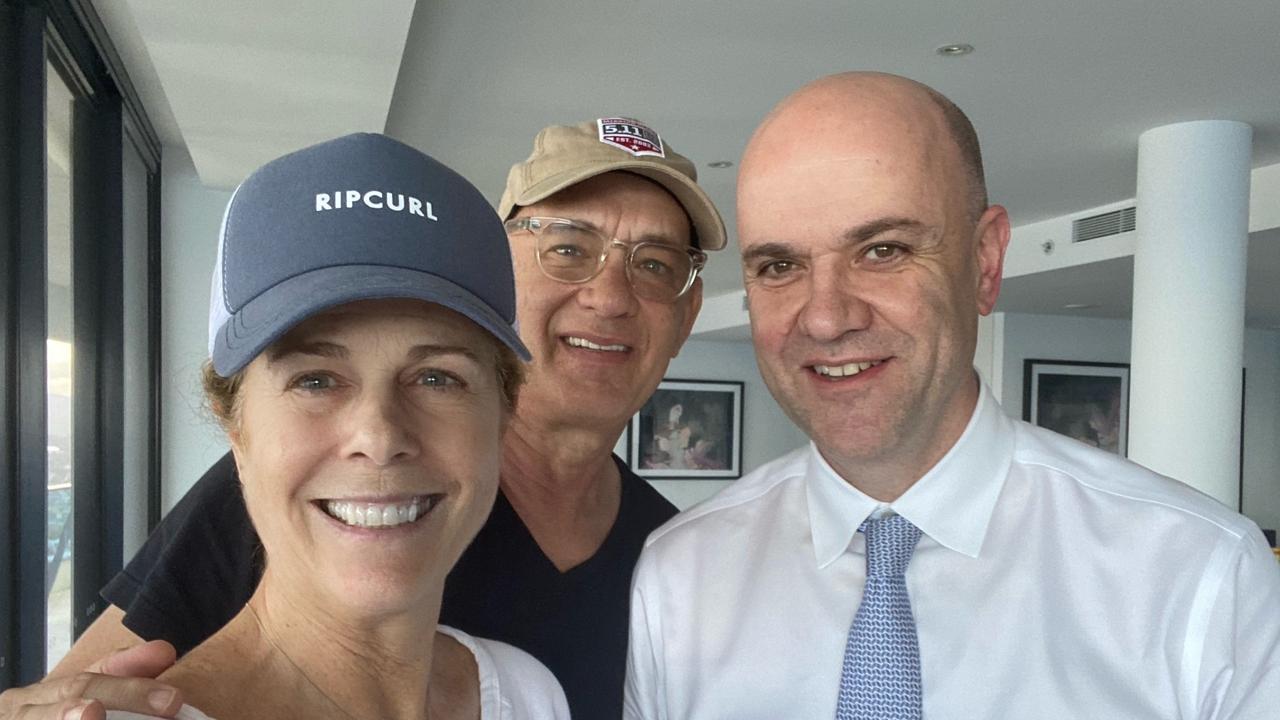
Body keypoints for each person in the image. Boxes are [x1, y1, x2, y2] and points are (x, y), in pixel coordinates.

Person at [1, 117, 724, 720]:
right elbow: (78, 694)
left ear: (688, 312)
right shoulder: (296, 491)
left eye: (657, 265)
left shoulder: (671, 559)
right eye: (568, 247)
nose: (609, 295)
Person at [623, 72, 1280, 719]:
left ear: (985, 263)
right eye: (780, 267)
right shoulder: (681, 576)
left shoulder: (1199, 575)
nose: (825, 318)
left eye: (882, 250)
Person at [122, 131, 564, 718]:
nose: (379, 439)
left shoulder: (526, 693)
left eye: (437, 378)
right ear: (235, 425)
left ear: (503, 415)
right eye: (316, 380)